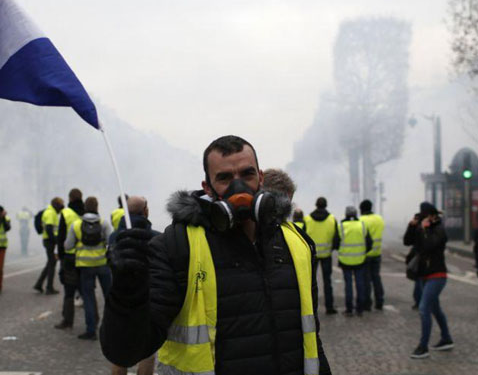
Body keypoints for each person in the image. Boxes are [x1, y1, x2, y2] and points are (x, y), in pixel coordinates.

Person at [101, 135, 331, 374]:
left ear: (260, 178)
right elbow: (126, 352)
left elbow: (312, 338)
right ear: (207, 188)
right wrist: (127, 296)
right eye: (225, 178)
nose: (238, 187)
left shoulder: (295, 242)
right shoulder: (177, 247)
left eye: (247, 174)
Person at [108, 196, 158, 375]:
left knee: (119, 351)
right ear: (145, 211)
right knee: (147, 350)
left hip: (120, 300)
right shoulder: (156, 238)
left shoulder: (114, 237)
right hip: (148, 300)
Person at [405, 202, 453, 359]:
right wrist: (412, 226)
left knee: (424, 308)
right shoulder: (422, 227)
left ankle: (423, 347)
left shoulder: (439, 230)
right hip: (424, 275)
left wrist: (424, 229)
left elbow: (429, 246)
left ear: (432, 216)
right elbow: (408, 241)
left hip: (437, 275)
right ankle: (446, 339)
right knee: (435, 309)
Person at [65, 196, 112, 340]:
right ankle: (113, 328)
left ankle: (91, 330)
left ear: (85, 207)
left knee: (89, 299)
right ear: (97, 206)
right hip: (103, 264)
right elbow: (111, 241)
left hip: (85, 267)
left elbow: (68, 246)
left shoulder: (76, 225)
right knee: (109, 298)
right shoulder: (104, 223)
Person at [54, 189, 84, 330]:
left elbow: (61, 237)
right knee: (86, 291)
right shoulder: (87, 212)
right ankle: (92, 323)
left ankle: (67, 320)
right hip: (84, 256)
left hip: (69, 256)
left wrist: (60, 255)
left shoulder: (66, 213)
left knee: (69, 291)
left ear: (70, 198)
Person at [304, 197, 338, 315]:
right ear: (326, 205)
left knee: (310, 282)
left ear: (316, 205)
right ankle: (329, 307)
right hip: (327, 255)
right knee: (327, 282)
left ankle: (311, 308)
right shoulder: (332, 219)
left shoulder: (307, 219)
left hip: (313, 255)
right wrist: (331, 248)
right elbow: (336, 238)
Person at [338, 206, 372, 317]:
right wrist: (362, 251)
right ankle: (360, 309)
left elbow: (335, 242)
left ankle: (349, 309)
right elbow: (369, 243)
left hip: (345, 260)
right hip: (360, 260)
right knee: (360, 284)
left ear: (346, 214)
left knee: (348, 285)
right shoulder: (362, 225)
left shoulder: (341, 226)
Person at [33, 197, 63, 295]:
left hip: (49, 240)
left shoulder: (51, 212)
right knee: (52, 263)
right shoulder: (50, 213)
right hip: (49, 241)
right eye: (61, 205)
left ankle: (39, 284)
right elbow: (49, 228)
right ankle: (49, 287)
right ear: (56, 205)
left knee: (51, 262)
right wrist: (56, 240)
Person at [360, 199, 385, 311]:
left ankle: (367, 303)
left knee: (366, 280)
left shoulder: (361, 220)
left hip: (365, 254)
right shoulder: (379, 219)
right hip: (377, 252)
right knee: (376, 278)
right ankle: (379, 301)